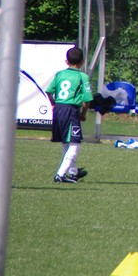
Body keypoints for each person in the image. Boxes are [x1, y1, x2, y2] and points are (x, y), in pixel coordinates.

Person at [46, 46, 93, 184]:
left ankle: (73, 172)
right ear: (82, 62)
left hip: (58, 109)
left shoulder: (59, 74)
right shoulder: (82, 77)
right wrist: (83, 113)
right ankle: (60, 175)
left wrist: (53, 104)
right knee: (75, 143)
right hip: (71, 110)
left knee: (66, 142)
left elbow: (49, 91)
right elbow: (87, 99)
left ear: (66, 61)